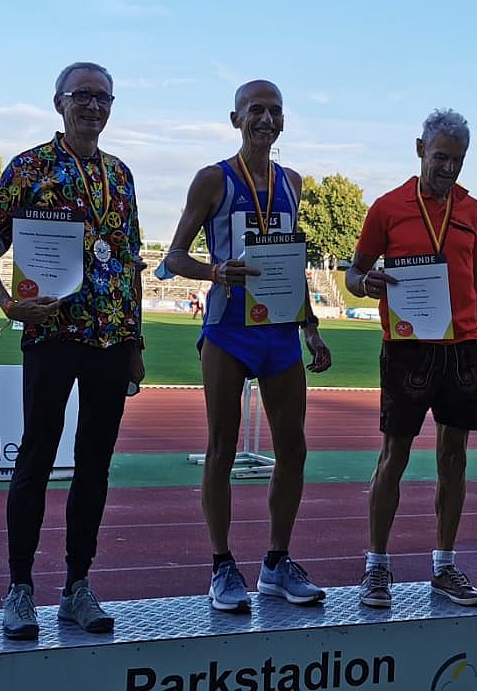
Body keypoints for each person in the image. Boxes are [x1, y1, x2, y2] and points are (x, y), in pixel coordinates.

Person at [0, 61, 144, 639]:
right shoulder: (29, 168)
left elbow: (130, 263)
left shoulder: (121, 176)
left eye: (103, 98)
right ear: (59, 102)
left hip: (111, 339)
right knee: (37, 456)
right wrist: (7, 304)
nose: (93, 106)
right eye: (82, 96)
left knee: (95, 464)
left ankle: (77, 587)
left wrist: (136, 340)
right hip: (51, 336)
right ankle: (19, 588)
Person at [161, 80, 333, 613]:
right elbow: (173, 257)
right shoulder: (213, 179)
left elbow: (291, 261)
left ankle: (277, 562)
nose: (266, 119)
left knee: (293, 449)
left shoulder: (293, 182)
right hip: (228, 331)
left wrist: (310, 327)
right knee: (221, 447)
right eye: (255, 110)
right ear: (235, 118)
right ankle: (221, 565)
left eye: (275, 111)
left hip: (279, 331)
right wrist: (215, 271)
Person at [344, 109, 477, 609]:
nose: (449, 169)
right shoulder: (387, 208)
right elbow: (354, 273)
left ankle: (444, 565)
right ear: (420, 149)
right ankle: (376, 566)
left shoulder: (471, 209)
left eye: (458, 160)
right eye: (441, 157)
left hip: (461, 348)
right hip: (408, 347)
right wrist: (365, 284)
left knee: (454, 459)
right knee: (393, 455)